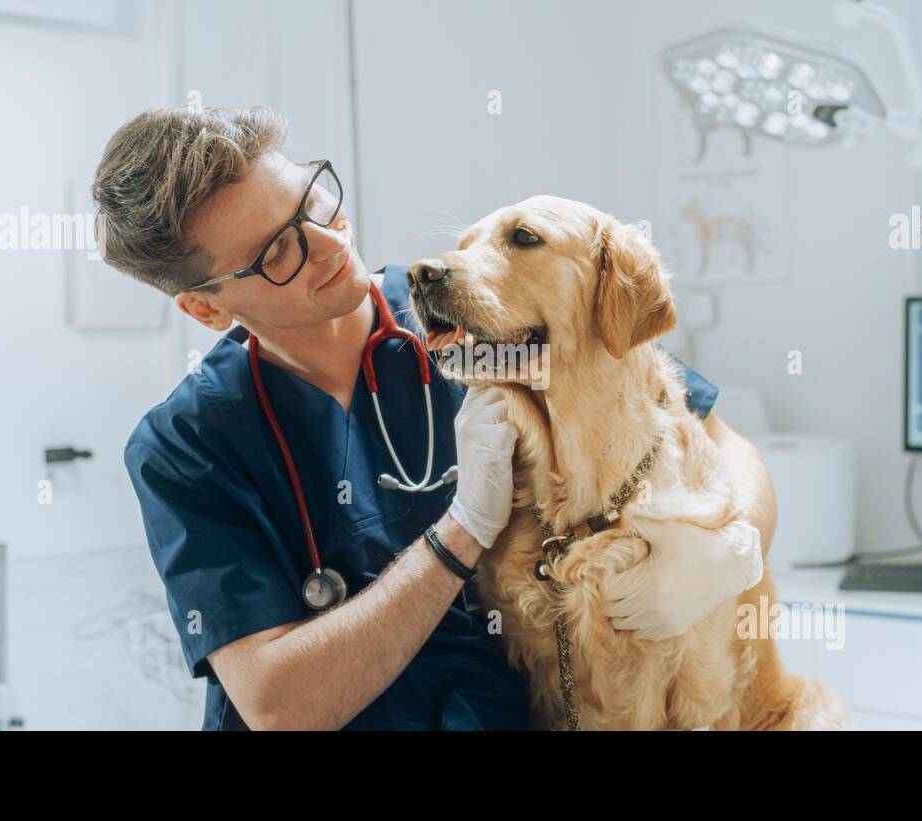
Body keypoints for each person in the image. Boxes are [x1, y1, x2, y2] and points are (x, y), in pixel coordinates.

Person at [91, 106, 778, 730]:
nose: (328, 245)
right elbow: (280, 704)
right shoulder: (186, 444)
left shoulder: (477, 318)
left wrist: (731, 547)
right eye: (277, 252)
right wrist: (460, 533)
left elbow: (719, 442)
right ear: (206, 308)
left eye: (314, 200)